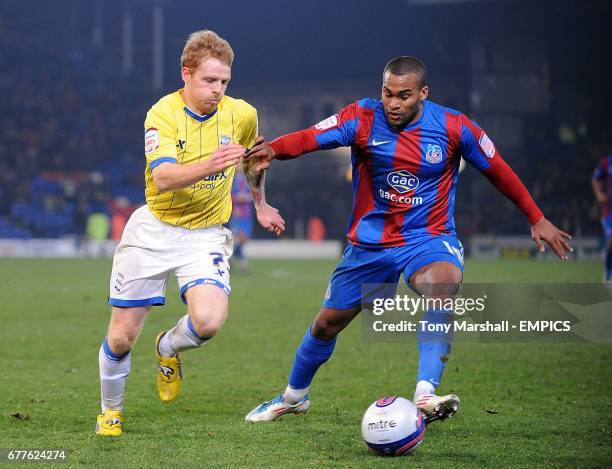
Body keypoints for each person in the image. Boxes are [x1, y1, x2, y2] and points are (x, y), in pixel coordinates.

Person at [244, 56, 573, 424]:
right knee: (327, 325)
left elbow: (497, 170)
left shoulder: (453, 126)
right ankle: (294, 396)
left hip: (427, 239)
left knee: (442, 287)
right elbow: (310, 137)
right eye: (387, 94)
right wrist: (274, 148)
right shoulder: (362, 117)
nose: (393, 103)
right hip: (371, 245)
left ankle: (425, 393)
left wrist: (536, 217)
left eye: (404, 95)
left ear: (423, 93)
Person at [96, 30, 285, 436]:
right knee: (122, 337)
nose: (218, 90)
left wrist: (260, 202)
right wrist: (215, 163)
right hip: (154, 229)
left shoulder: (242, 114)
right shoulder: (161, 115)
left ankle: (167, 347)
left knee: (209, 321)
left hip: (205, 234)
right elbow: (163, 178)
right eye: (209, 81)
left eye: (224, 82)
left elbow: (251, 161)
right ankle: (110, 410)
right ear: (186, 73)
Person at [229, 166, 254, 272]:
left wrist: (248, 197)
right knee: (238, 238)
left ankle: (230, 258)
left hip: (247, 214)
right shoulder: (231, 179)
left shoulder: (249, 180)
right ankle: (244, 264)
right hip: (236, 214)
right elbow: (229, 195)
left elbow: (255, 194)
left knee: (243, 240)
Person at [592, 155, 611, 281]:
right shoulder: (608, 162)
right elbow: (595, 179)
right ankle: (608, 271)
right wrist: (599, 194)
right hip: (609, 211)